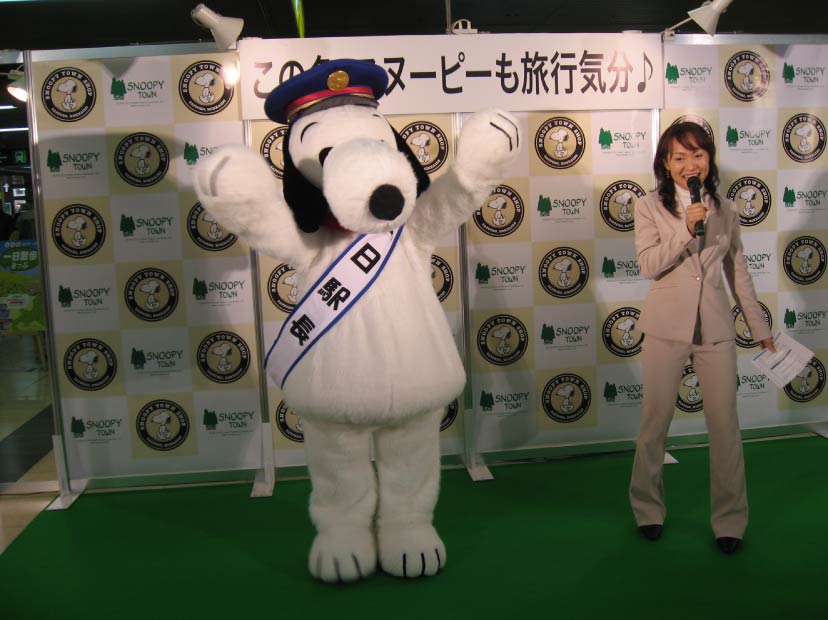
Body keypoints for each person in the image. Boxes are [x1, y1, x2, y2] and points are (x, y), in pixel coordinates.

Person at [629, 121, 775, 555]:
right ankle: (647, 509)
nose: (689, 164)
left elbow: (738, 273)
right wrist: (683, 228)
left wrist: (760, 329)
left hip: (715, 329)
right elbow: (649, 264)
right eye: (679, 157)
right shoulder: (648, 206)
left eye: (697, 155)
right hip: (664, 327)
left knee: (725, 426)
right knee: (654, 424)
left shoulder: (726, 209)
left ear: (708, 159)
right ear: (665, 163)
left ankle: (730, 520)